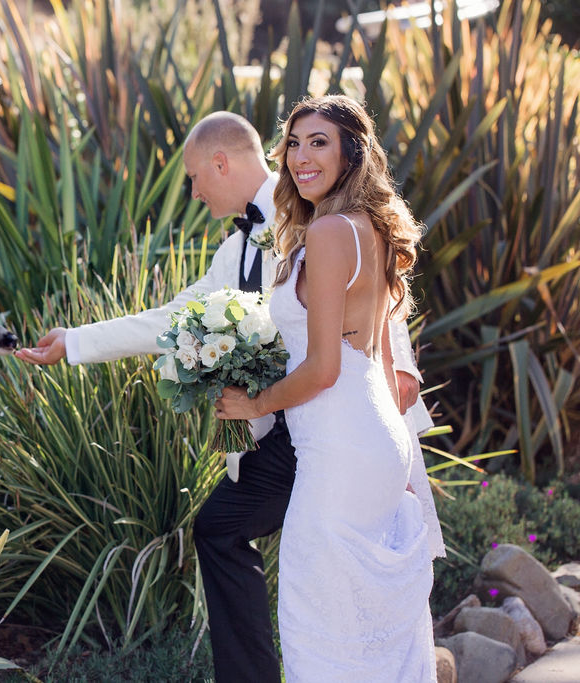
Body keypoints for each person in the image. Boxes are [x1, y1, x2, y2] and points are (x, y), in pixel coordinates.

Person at [15, 110, 436, 682]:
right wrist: (77, 341)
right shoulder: (243, 247)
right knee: (249, 544)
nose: (192, 192)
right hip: (304, 427)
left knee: (323, 595)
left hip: (329, 423)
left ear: (220, 162)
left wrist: (397, 386)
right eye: (294, 144)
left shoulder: (323, 222)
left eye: (195, 177)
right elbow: (176, 316)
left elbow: (374, 326)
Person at [215, 94, 438, 681]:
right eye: (294, 142)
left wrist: (252, 403)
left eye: (320, 143)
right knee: (359, 629)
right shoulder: (369, 230)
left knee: (319, 628)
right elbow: (380, 359)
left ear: (351, 154)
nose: (301, 157)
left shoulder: (332, 233)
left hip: (339, 448)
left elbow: (323, 370)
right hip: (372, 437)